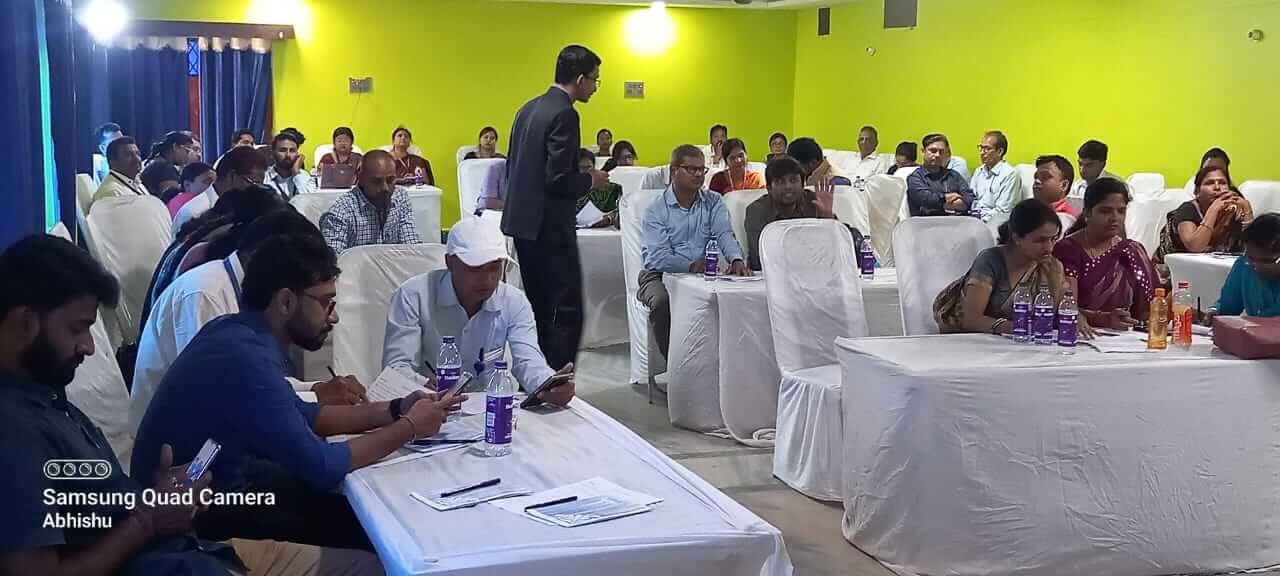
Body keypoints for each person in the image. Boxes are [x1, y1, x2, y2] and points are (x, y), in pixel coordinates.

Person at [132, 233, 462, 551]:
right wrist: (409, 427)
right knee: (384, 537)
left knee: (361, 512)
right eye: (326, 302)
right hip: (197, 524)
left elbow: (309, 415)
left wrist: (398, 408)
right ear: (286, 301)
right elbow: (322, 467)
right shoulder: (245, 359)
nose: (334, 317)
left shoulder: (235, 334)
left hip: (222, 493)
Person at [0, 235, 240, 576]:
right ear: (25, 322)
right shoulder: (13, 431)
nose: (88, 346)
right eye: (77, 329)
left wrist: (154, 497)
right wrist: (149, 520)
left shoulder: (44, 393)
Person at [132, 209, 369, 432]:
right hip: (179, 449)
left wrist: (317, 390)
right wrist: (317, 396)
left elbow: (257, 383)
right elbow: (221, 396)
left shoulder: (252, 294)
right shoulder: (205, 293)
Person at [384, 216, 577, 407]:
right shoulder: (413, 295)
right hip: (426, 407)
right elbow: (396, 367)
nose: (487, 279)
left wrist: (548, 385)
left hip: (488, 408)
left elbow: (528, 361)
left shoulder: (514, 301)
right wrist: (421, 385)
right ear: (450, 262)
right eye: (475, 269)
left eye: (495, 267)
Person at [502, 45, 609, 371]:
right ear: (580, 79)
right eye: (595, 80)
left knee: (537, 309)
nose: (595, 87)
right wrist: (590, 180)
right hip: (549, 227)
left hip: (522, 223)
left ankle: (534, 377)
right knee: (565, 312)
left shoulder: (527, 108)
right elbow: (558, 178)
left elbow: (514, 167)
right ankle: (555, 384)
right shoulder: (565, 113)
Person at [638, 145, 749, 356]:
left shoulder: (713, 201)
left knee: (736, 297)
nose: (698, 175)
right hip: (658, 274)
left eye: (701, 169)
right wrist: (691, 266)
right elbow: (658, 257)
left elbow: (724, 233)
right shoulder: (655, 209)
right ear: (674, 171)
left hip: (702, 273)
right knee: (661, 302)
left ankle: (722, 363)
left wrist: (736, 260)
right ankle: (674, 365)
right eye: (691, 169)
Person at [933, 199, 1068, 334]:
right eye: (1040, 240)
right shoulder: (990, 261)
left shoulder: (1052, 268)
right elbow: (971, 320)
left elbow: (1064, 309)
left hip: (1024, 341)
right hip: (976, 341)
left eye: (1053, 239)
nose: (1049, 247)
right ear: (1017, 238)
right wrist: (1019, 327)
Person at [1055, 178, 1155, 333]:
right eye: (1105, 211)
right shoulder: (1068, 250)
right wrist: (1103, 319)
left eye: (1121, 211)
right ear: (1087, 213)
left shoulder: (1132, 251)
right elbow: (1068, 308)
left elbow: (1149, 309)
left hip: (1129, 337)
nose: (1115, 217)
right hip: (1082, 335)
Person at [744, 155, 865, 271]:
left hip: (815, 272)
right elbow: (759, 257)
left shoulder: (814, 201)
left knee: (853, 236)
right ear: (769, 188)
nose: (788, 186)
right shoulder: (756, 211)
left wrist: (827, 216)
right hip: (773, 275)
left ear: (803, 184)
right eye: (780, 182)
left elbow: (838, 245)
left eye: (793, 180)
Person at [320, 149, 421, 254]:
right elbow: (333, 260)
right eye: (376, 181)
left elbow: (411, 244)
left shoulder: (400, 196)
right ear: (360, 178)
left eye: (390, 180)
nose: (385, 188)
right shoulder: (341, 212)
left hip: (395, 264)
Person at [174, 146, 270, 237]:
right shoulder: (194, 212)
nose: (258, 189)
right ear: (232, 176)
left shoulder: (247, 207)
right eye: (254, 182)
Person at [1163, 164, 1253, 255]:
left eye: (1222, 182)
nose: (1217, 187)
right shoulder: (1187, 209)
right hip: (1174, 262)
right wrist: (1213, 209)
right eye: (1209, 183)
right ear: (1197, 191)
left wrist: (1247, 212)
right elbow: (1194, 247)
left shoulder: (1233, 209)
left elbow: (1253, 247)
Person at [1212, 214, 1280, 318]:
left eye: (1266, 261)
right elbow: (1226, 308)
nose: (1257, 267)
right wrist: (1214, 311)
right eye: (1251, 259)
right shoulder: (1244, 265)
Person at [906, 133, 974, 216]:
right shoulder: (915, 178)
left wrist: (941, 203)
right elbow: (927, 200)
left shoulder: (953, 175)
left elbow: (969, 198)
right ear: (923, 152)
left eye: (941, 152)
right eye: (933, 151)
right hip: (926, 222)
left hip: (958, 221)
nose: (937, 155)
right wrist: (950, 198)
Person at [971, 130, 1020, 222]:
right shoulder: (979, 171)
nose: (982, 152)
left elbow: (1003, 210)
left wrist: (980, 221)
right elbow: (971, 198)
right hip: (974, 219)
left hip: (995, 222)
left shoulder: (1010, 174)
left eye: (987, 149)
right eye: (981, 148)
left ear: (1000, 151)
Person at [89, 136, 145, 213]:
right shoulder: (110, 193)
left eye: (138, 154)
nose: (137, 159)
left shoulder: (136, 182)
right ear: (113, 162)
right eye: (129, 155)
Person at [140, 131, 196, 197]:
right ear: (175, 146)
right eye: (187, 151)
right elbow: (172, 198)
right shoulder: (165, 167)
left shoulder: (155, 162)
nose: (188, 155)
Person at [576, 149, 622, 227]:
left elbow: (623, 211)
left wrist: (610, 218)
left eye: (589, 167)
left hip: (602, 231)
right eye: (582, 168)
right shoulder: (566, 190)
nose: (587, 172)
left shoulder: (608, 189)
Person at [264, 130, 314, 200]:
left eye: (292, 151)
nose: (288, 155)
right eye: (283, 150)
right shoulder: (265, 177)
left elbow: (310, 202)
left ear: (297, 154)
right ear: (273, 153)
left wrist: (296, 174)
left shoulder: (304, 176)